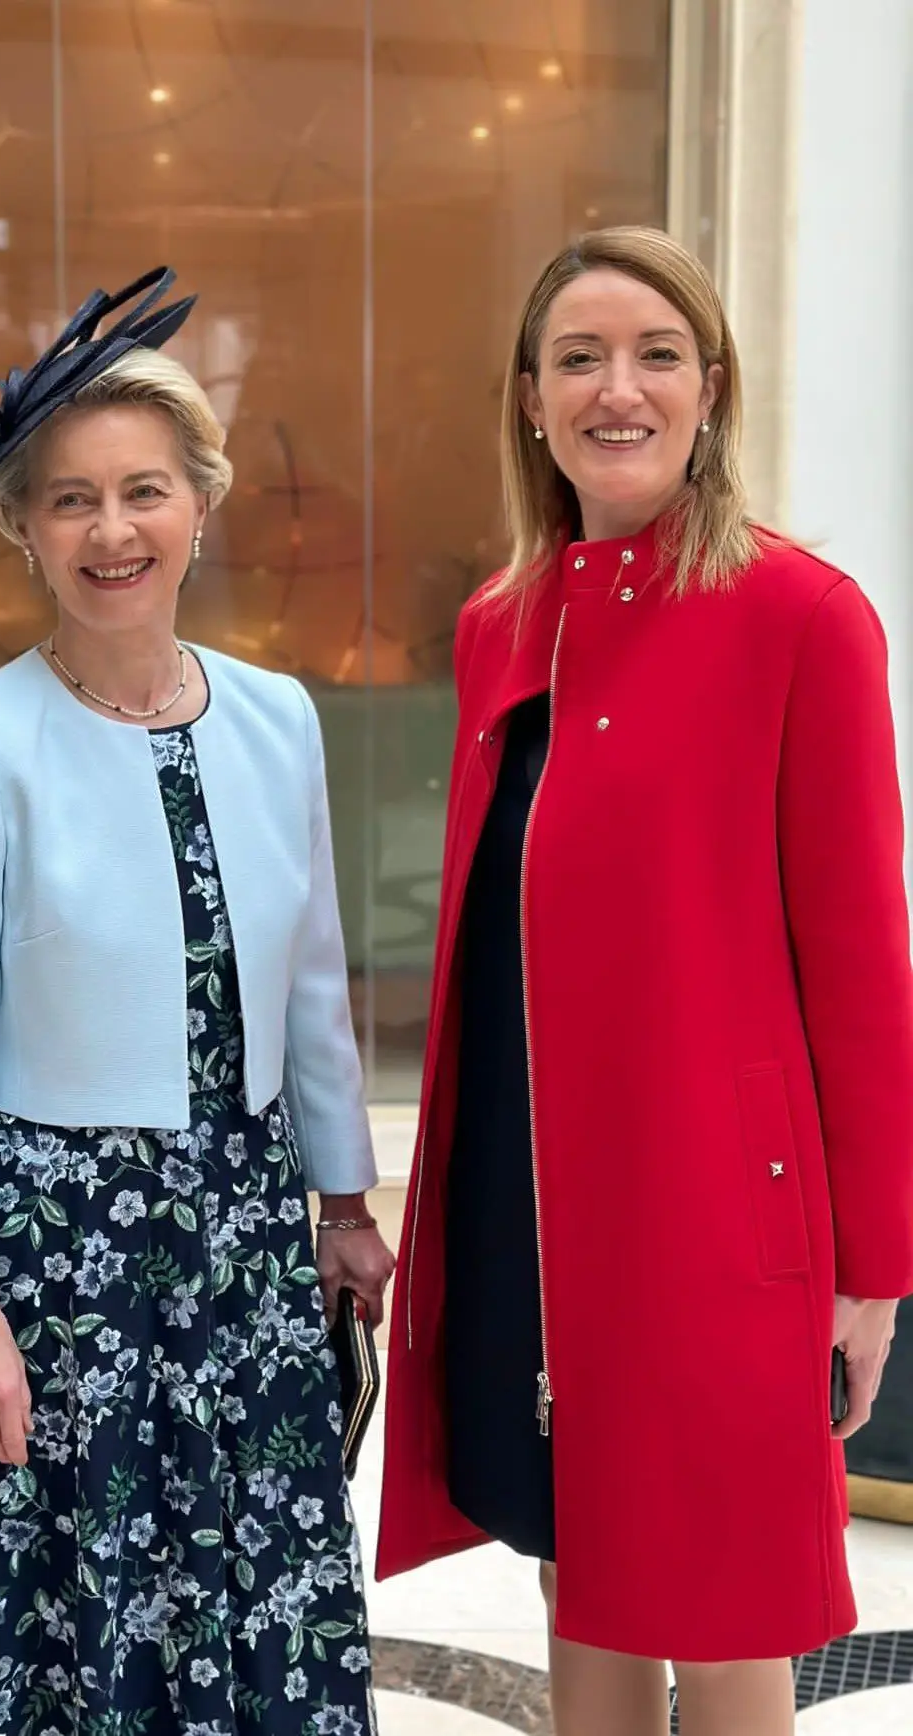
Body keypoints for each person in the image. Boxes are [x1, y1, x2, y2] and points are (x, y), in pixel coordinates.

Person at [376, 224, 913, 1736]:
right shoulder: (502, 623)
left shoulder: (802, 616)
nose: (620, 389)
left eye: (657, 354)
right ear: (531, 401)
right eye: (580, 359)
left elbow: (864, 966)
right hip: (527, 1196)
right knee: (573, 1562)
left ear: (711, 385)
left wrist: (873, 1268)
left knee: (729, 1602)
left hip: (718, 1204)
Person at [0, 269, 393, 1735]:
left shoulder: (279, 712)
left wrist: (342, 1207)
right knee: (62, 1606)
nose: (113, 532)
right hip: (56, 1255)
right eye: (72, 502)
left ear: (201, 505)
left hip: (241, 1234)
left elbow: (307, 987)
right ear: (27, 532)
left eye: (145, 491)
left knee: (250, 1591)